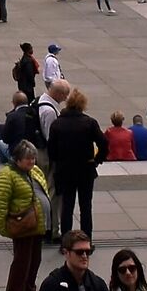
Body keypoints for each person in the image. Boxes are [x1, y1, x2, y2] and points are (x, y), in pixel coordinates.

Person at [45, 91, 105, 243]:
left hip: (65, 170)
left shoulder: (57, 124)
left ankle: (66, 241)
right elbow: (104, 144)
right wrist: (97, 160)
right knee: (86, 207)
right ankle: (87, 240)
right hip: (85, 169)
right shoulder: (89, 123)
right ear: (83, 105)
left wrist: (58, 161)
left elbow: (51, 149)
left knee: (67, 207)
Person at [0, 140, 49, 291]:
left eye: (33, 158)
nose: (32, 161)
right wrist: (5, 229)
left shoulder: (34, 171)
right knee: (21, 265)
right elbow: (0, 205)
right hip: (23, 226)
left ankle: (29, 287)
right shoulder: (7, 176)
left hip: (37, 226)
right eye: (28, 158)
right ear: (17, 159)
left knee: (34, 261)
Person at [37, 231, 104, 291]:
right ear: (66, 253)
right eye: (79, 252)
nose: (84, 256)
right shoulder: (51, 285)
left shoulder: (98, 285)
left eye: (88, 252)